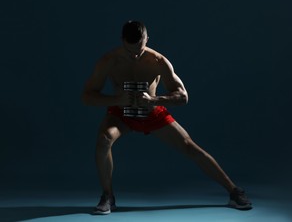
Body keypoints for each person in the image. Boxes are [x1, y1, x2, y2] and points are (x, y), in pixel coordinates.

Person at [82, 20, 252, 215]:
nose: (135, 55)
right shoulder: (109, 61)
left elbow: (183, 97)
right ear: (122, 41)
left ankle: (234, 191)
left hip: (151, 112)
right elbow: (87, 96)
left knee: (189, 146)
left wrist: (154, 99)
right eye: (130, 51)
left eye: (140, 49)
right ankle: (107, 196)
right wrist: (116, 99)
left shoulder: (158, 61)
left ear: (147, 39)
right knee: (104, 139)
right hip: (121, 113)